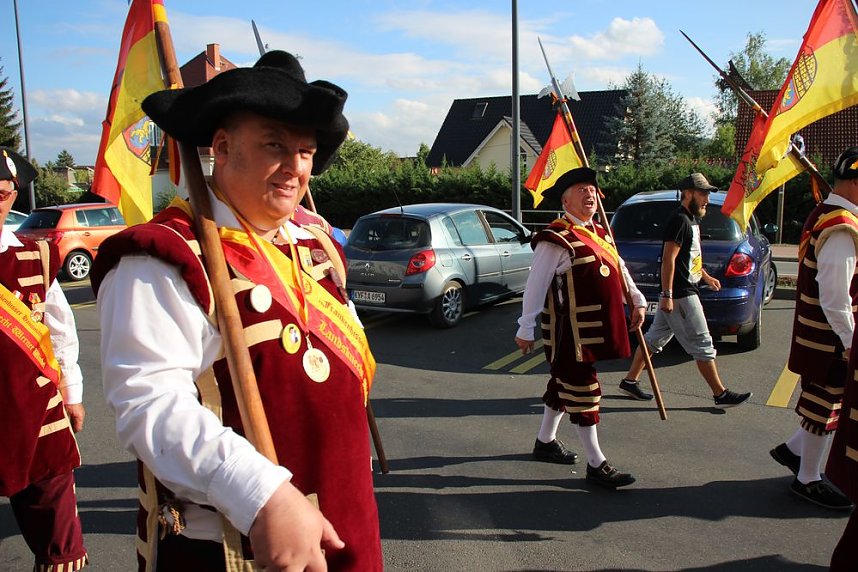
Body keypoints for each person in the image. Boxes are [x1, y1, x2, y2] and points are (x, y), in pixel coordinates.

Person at [90, 51, 382, 570]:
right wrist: (262, 493)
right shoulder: (164, 256)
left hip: (346, 523)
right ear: (221, 148)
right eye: (274, 144)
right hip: (237, 546)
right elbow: (150, 405)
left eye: (306, 151)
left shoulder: (314, 246)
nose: (294, 166)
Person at [515, 166, 646, 488]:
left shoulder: (600, 232)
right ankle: (596, 463)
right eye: (581, 190)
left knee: (561, 386)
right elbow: (536, 284)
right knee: (583, 390)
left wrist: (636, 297)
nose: (590, 195)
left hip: (596, 327)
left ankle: (545, 442)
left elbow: (620, 268)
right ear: (565, 200)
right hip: (569, 332)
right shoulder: (555, 239)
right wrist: (525, 326)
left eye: (592, 190)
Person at [0, 147, 88, 571]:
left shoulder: (36, 256)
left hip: (39, 416)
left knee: (61, 549)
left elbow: (59, 328)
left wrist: (72, 392)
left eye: (4, 194)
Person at [770, 147, 858, 511]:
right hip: (830, 338)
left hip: (821, 335)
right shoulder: (841, 226)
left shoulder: (826, 214)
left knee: (825, 403)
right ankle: (808, 478)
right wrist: (853, 343)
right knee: (825, 406)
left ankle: (793, 451)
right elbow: (836, 297)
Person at [621, 173, 752, 409]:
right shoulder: (679, 221)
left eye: (708, 194)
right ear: (689, 193)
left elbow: (690, 258)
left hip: (685, 289)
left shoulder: (692, 220)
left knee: (653, 339)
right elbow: (668, 260)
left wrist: (707, 276)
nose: (706, 199)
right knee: (702, 342)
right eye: (703, 194)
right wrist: (667, 295)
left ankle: (630, 381)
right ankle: (720, 393)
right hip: (681, 294)